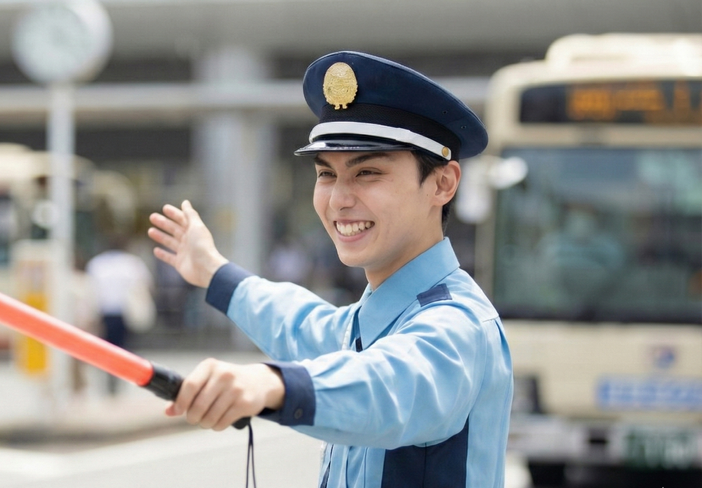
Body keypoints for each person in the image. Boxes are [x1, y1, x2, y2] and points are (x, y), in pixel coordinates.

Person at [148, 51, 513, 487]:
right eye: (326, 174)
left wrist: (271, 384)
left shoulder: (457, 326)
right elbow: (296, 322)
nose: (339, 199)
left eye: (368, 173)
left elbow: (384, 386)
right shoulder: (369, 322)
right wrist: (212, 271)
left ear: (442, 183)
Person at [85, 233, 154, 395]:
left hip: (104, 312)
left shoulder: (97, 264)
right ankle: (119, 376)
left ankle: (110, 376)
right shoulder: (132, 263)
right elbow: (146, 285)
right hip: (124, 312)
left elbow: (90, 291)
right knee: (123, 347)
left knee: (106, 347)